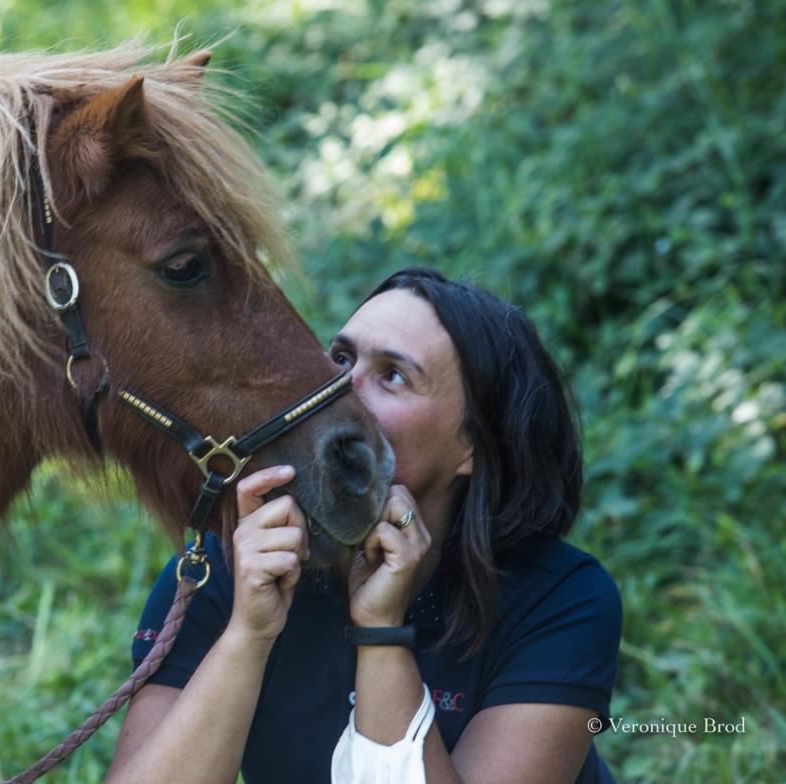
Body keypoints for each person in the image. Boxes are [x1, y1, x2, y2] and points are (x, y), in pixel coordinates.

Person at [105, 267, 623, 783]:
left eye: (392, 375)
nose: (335, 389)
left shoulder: (559, 598)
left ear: (475, 445)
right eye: (341, 359)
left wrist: (382, 633)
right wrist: (248, 633)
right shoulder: (232, 562)